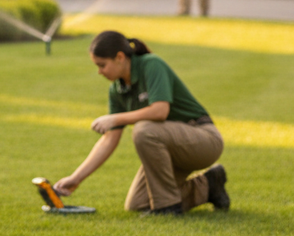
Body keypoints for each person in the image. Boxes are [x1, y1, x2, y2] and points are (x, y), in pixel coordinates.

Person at [54, 30, 230, 215]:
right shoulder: (117, 90)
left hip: (204, 140)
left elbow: (160, 111)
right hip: (172, 149)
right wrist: (76, 178)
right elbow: (108, 140)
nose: (99, 72)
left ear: (120, 57)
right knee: (138, 204)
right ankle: (209, 185)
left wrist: (115, 118)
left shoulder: (151, 64)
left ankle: (167, 207)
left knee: (144, 129)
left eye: (102, 65)